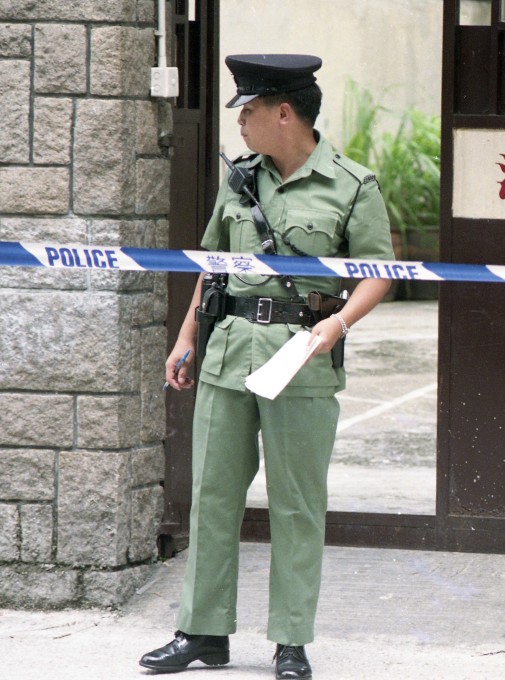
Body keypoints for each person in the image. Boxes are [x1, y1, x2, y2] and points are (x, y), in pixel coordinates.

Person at [140, 54, 394, 679]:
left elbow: (380, 272)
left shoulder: (352, 185)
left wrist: (339, 324)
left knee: (296, 504)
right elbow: (214, 262)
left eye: (249, 112)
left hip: (302, 361)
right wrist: (187, 336)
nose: (242, 125)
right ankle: (202, 631)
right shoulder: (240, 181)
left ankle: (290, 641)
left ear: (285, 112)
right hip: (228, 355)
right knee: (213, 497)